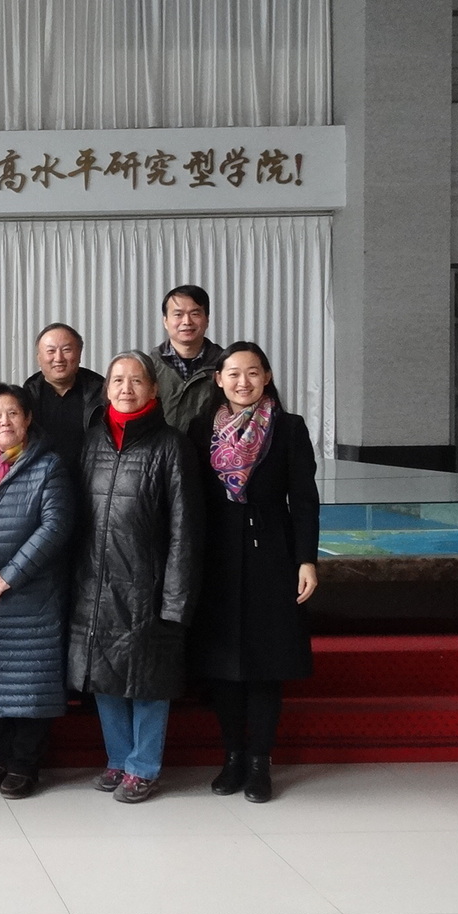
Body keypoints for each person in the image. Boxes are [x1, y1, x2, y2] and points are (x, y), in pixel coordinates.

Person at [186, 342, 321, 805]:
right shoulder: (200, 428)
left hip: (272, 556)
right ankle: (233, 758)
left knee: (266, 665)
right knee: (223, 667)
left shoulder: (288, 427)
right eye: (233, 373)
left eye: (252, 372)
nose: (242, 381)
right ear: (218, 380)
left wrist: (306, 559)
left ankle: (261, 762)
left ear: (266, 377)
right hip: (216, 558)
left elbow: (304, 499)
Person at [67, 351, 200, 804]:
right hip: (95, 582)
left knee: (148, 682)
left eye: (136, 380)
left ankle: (144, 767)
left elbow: (185, 530)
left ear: (153, 389)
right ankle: (119, 758)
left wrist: (176, 599)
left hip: (147, 587)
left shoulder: (171, 446)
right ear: (106, 389)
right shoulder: (92, 442)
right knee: (104, 677)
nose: (126, 388)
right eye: (118, 380)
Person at [0, 384, 75, 799]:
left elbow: (56, 526)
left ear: (27, 419)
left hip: (32, 594)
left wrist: (10, 575)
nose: (4, 421)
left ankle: (25, 764)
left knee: (31, 681)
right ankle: (2, 758)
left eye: (12, 414)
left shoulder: (49, 465)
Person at [23, 322, 106, 474]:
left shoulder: (103, 395)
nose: (59, 358)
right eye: (51, 351)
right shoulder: (25, 399)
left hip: (93, 480)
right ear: (39, 358)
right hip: (42, 482)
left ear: (79, 354)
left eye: (66, 350)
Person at [155, 285, 227, 432]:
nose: (187, 321)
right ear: (165, 321)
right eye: (178, 314)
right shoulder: (148, 367)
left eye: (195, 314)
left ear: (207, 319)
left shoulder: (226, 365)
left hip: (214, 446)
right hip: (161, 446)